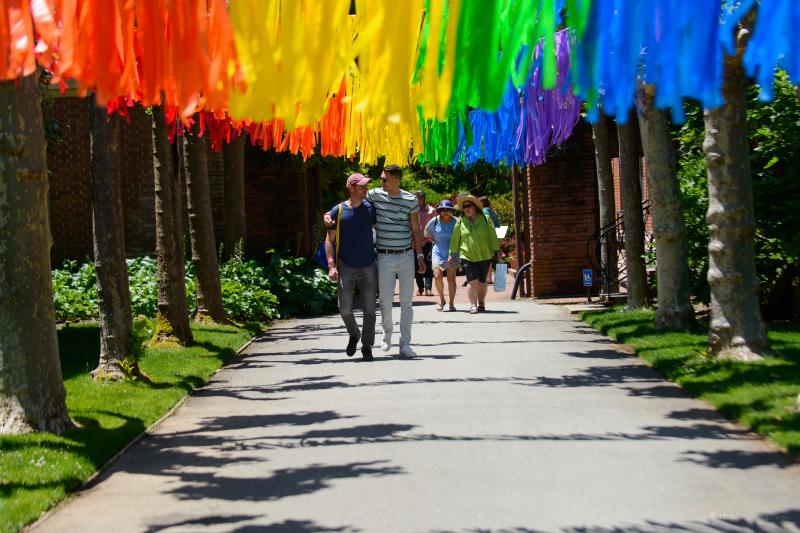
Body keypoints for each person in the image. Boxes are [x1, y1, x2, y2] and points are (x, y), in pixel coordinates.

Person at [325, 165, 425, 358]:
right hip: (372, 259)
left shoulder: (397, 202)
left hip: (394, 258)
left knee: (394, 305)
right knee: (374, 304)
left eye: (385, 179)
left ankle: (390, 345)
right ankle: (375, 334)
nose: (380, 183)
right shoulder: (363, 200)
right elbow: (333, 230)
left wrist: (420, 255)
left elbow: (415, 229)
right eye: (380, 179)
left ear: (396, 180)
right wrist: (327, 217)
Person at [324, 173, 377, 361]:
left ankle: (367, 346)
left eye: (366, 186)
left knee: (370, 309)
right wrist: (331, 265)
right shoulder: (337, 211)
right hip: (346, 266)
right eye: (362, 186)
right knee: (344, 308)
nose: (366, 189)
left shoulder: (371, 209)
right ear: (351, 188)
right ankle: (354, 334)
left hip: (369, 265)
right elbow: (329, 240)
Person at [449, 194, 502, 314]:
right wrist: (452, 253)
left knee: (482, 282)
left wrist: (497, 250)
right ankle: (473, 305)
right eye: (464, 207)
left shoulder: (485, 218)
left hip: (484, 254)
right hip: (467, 255)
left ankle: (481, 303)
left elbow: (493, 235)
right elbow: (455, 238)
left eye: (469, 206)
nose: (466, 209)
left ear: (475, 207)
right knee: (472, 281)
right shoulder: (461, 221)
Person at [424, 199, 459, 312]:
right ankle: (442, 299)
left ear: (452, 211)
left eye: (448, 210)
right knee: (437, 276)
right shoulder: (434, 220)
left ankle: (452, 303)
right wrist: (433, 240)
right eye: (443, 209)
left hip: (452, 252)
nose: (445, 212)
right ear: (440, 210)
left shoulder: (457, 221)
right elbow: (427, 232)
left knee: (451, 278)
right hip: (438, 251)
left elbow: (462, 236)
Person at [414, 191, 436, 297]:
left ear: (423, 198)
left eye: (417, 197)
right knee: (416, 265)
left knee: (427, 263)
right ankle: (420, 288)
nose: (415, 199)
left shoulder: (431, 211)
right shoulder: (411, 210)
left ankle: (428, 288)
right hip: (413, 242)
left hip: (427, 241)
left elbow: (436, 225)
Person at [480, 196, 501, 284]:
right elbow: (498, 226)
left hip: (484, 237)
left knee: (485, 257)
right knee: (492, 258)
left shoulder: (483, 211)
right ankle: (490, 278)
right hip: (494, 237)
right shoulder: (494, 212)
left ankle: (486, 277)